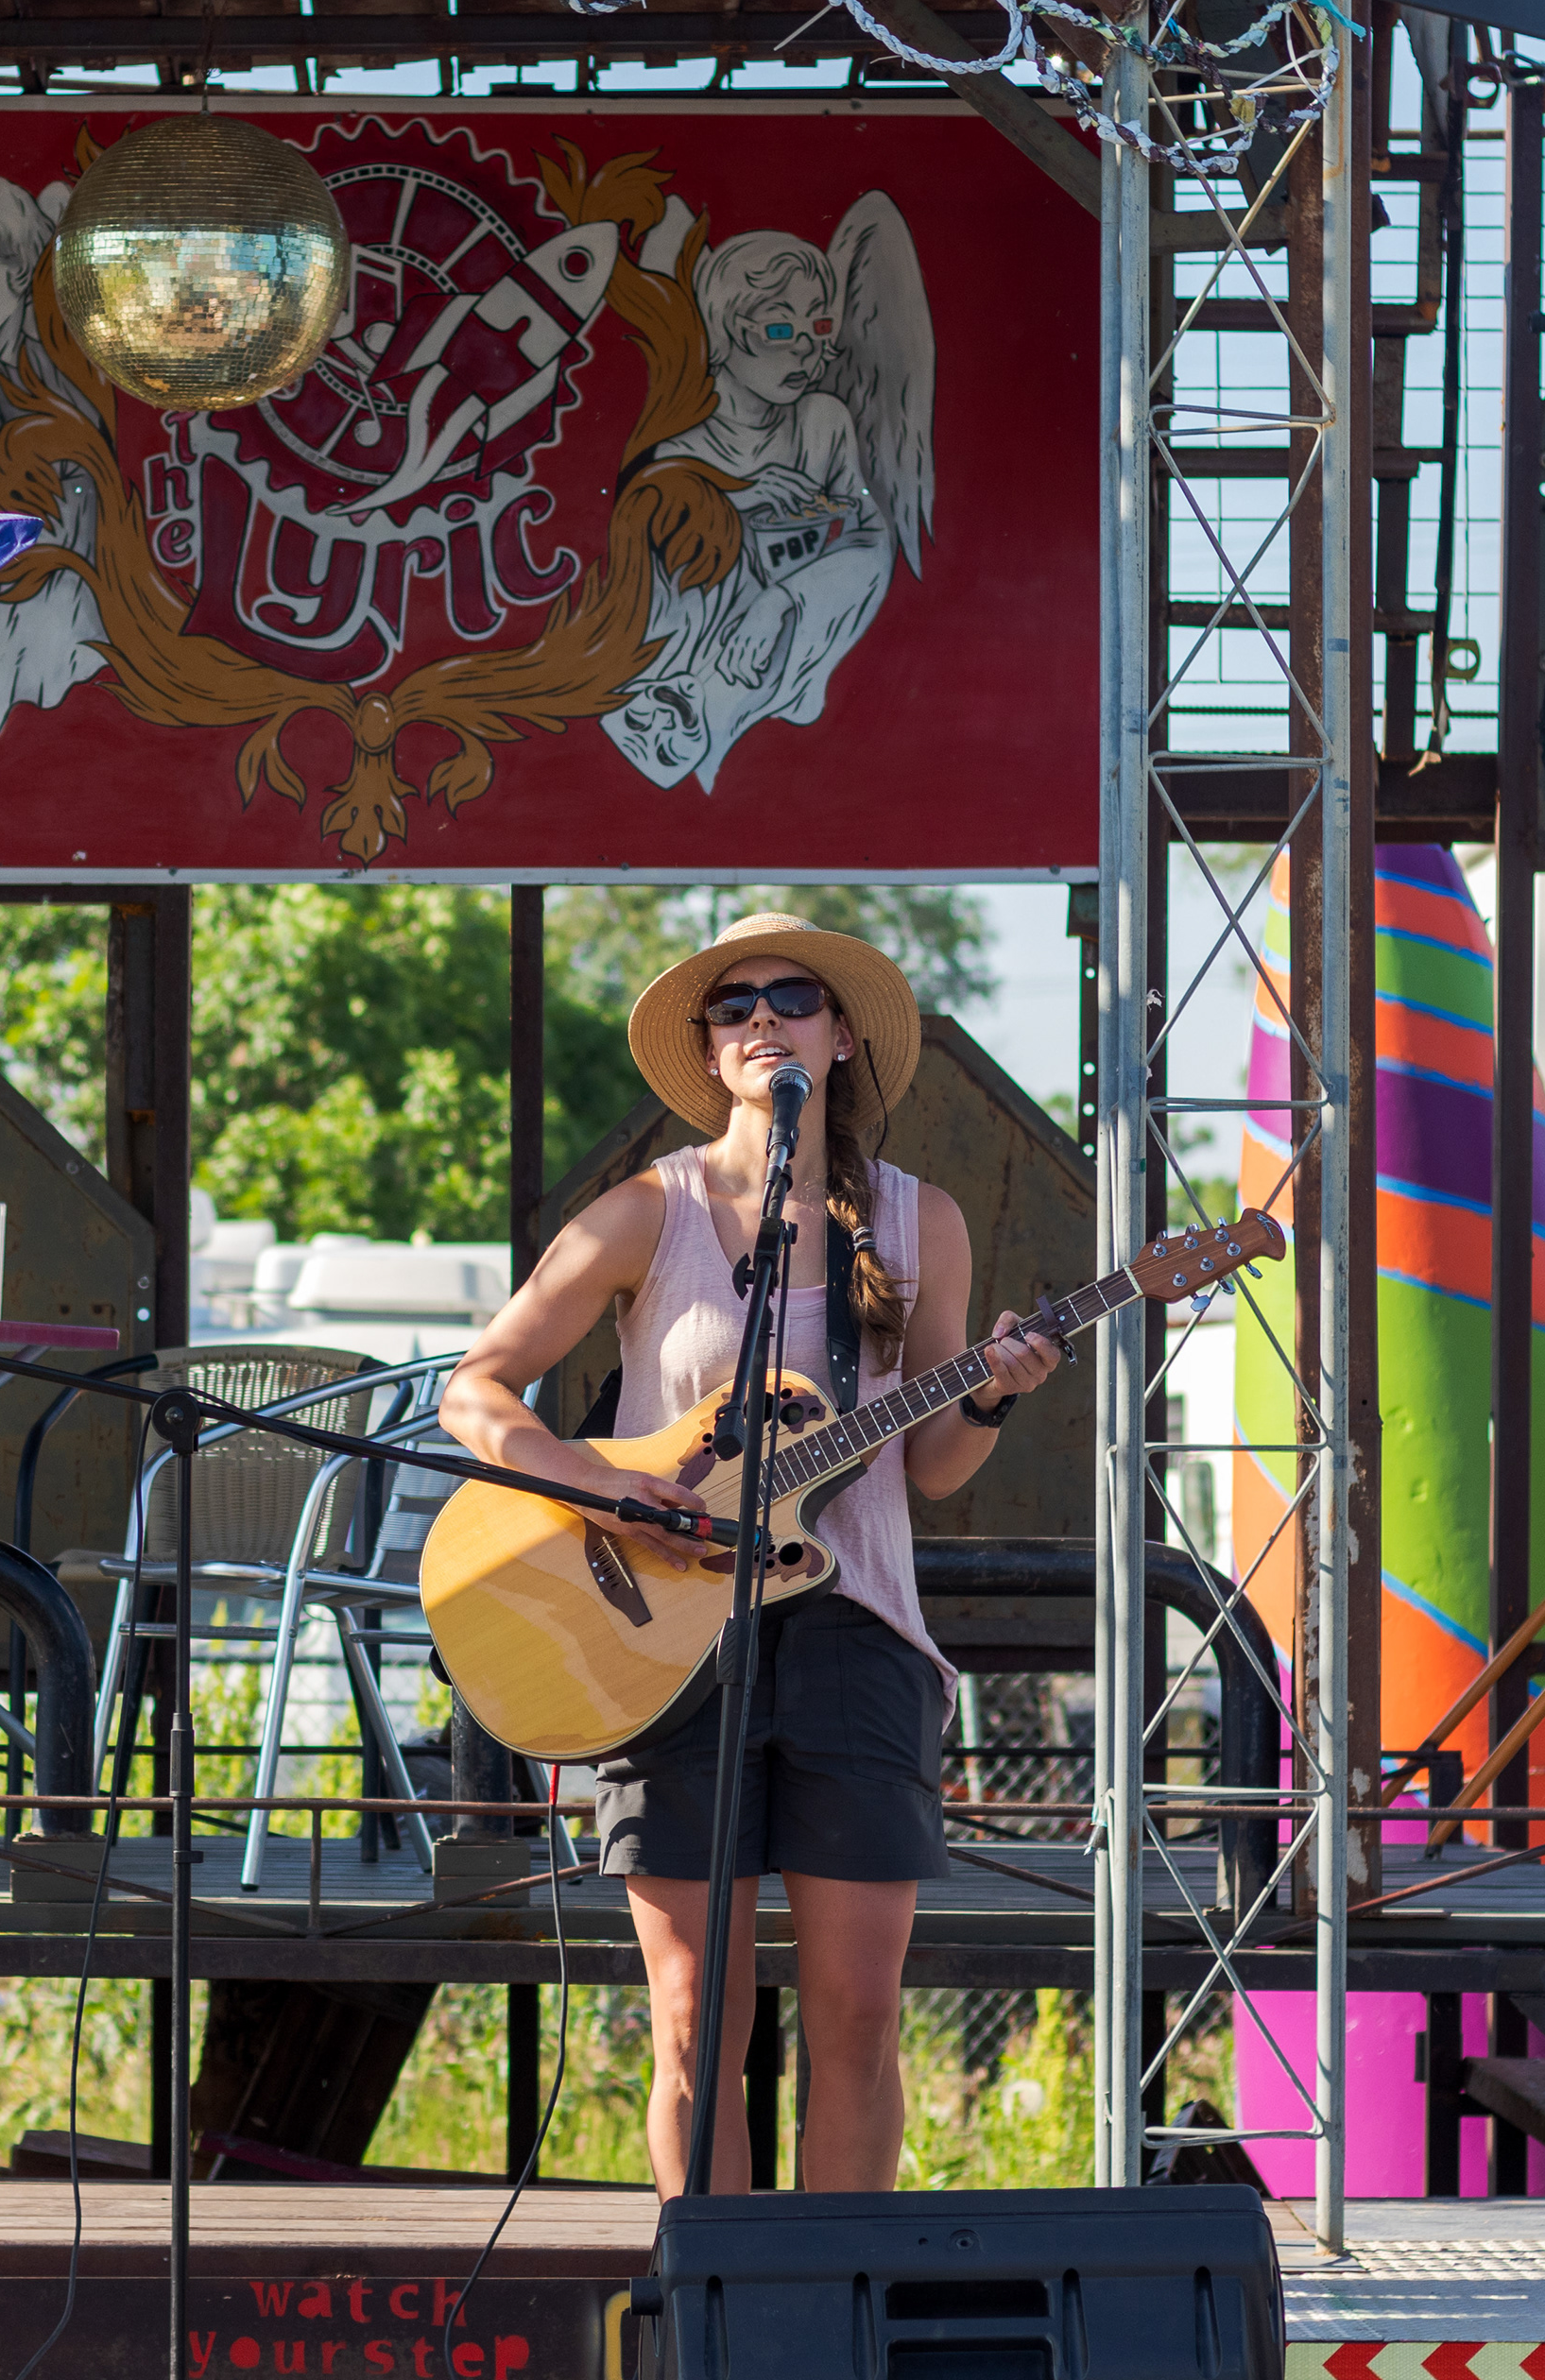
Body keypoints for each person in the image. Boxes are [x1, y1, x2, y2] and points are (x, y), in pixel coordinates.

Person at [438, 912, 1060, 2195]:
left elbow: (930, 1464)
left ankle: (835, 2307)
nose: (762, 1018)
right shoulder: (646, 1212)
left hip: (859, 1635)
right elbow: (478, 1390)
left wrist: (992, 1394)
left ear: (839, 1040)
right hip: (661, 1646)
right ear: (714, 1051)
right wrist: (597, 1486)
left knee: (857, 2021)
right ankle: (715, 2302)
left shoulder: (919, 1219)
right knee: (692, 2029)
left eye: (791, 998)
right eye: (733, 1006)